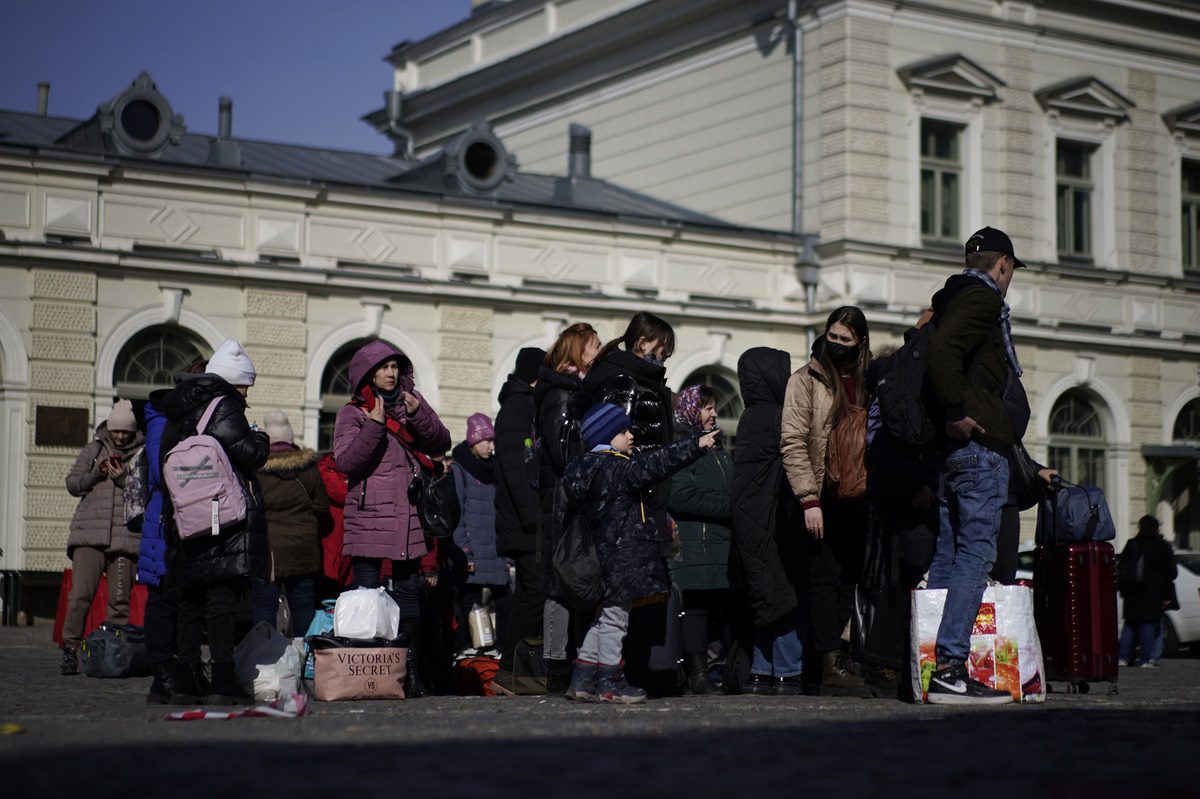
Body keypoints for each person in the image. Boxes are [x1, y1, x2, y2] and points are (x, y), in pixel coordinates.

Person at [924, 226, 1041, 704]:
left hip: (954, 452)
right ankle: (950, 667)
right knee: (975, 555)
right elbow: (942, 352)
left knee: (950, 556)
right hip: (977, 447)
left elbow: (940, 350)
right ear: (1004, 265)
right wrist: (957, 412)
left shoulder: (951, 299)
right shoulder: (983, 300)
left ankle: (929, 665)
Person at [563, 403, 719, 703]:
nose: (631, 435)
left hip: (604, 557)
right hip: (621, 559)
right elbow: (655, 465)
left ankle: (582, 679)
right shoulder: (615, 468)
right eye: (623, 431)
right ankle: (610, 682)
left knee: (604, 618)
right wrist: (695, 444)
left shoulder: (588, 468)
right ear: (607, 437)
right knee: (615, 621)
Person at [333, 339, 450, 696]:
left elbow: (440, 442)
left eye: (395, 367)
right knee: (366, 598)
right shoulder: (352, 413)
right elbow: (347, 462)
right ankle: (366, 675)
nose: (391, 373)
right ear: (368, 373)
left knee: (409, 596)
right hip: (370, 518)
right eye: (384, 367)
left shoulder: (410, 403)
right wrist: (373, 425)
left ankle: (407, 673)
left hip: (408, 518)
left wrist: (418, 415)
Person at [159, 340, 270, 704]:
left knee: (190, 598)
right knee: (222, 597)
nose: (246, 392)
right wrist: (261, 437)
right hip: (223, 517)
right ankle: (222, 679)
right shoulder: (224, 406)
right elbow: (250, 455)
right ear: (232, 381)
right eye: (245, 385)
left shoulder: (178, 408)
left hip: (186, 515)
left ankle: (187, 677)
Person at [573, 312, 678, 691]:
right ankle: (614, 677)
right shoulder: (626, 381)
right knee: (621, 601)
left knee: (620, 603)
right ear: (644, 342)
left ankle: (587, 677)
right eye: (662, 346)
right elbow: (620, 443)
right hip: (631, 500)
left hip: (638, 497)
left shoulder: (637, 378)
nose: (665, 355)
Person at [780, 306, 873, 697]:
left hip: (863, 497)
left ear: (859, 343)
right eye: (831, 337)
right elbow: (793, 442)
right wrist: (807, 499)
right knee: (823, 579)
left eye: (844, 340)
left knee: (850, 579)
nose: (835, 345)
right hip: (823, 496)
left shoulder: (871, 380)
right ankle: (828, 662)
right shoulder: (806, 379)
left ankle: (839, 656)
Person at [730, 347, 806, 696]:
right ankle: (787, 669)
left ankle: (762, 668)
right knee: (783, 590)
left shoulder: (750, 416)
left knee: (765, 592)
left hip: (752, 520)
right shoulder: (775, 416)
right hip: (773, 518)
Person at [536, 323, 601, 682]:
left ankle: (570, 660)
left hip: (571, 497)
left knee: (574, 578)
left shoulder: (575, 390)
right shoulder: (563, 393)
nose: (600, 349)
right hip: (564, 500)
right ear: (578, 349)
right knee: (562, 580)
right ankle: (557, 663)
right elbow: (564, 451)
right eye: (594, 345)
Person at [61, 399, 145, 676]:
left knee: (120, 599)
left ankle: (113, 650)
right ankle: (70, 649)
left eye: (125, 432)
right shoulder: (93, 449)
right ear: (108, 429)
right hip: (89, 534)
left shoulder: (141, 454)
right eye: (115, 431)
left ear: (133, 432)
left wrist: (123, 479)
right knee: (80, 595)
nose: (119, 436)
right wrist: (97, 473)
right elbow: (74, 484)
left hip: (125, 536)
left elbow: (144, 493)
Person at [139, 358, 206, 704]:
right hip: (164, 522)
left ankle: (179, 673)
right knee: (163, 599)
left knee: (184, 602)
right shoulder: (162, 419)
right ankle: (162, 676)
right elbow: (164, 472)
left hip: (186, 521)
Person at [667, 384, 733, 695]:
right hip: (695, 546)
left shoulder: (718, 451)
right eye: (707, 407)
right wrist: (729, 506)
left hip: (720, 544)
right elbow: (681, 497)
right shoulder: (684, 448)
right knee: (696, 610)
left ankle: (723, 669)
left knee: (720, 608)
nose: (714, 414)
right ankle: (697, 672)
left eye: (715, 407)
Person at [253, 410, 330, 637]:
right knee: (303, 605)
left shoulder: (256, 468)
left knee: (265, 605)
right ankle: (304, 657)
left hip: (269, 550)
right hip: (303, 547)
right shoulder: (308, 468)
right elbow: (322, 506)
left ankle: (264, 656)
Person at [492, 347, 545, 671]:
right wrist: (533, 516)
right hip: (523, 520)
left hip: (524, 518)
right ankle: (509, 666)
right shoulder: (518, 408)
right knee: (536, 591)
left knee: (528, 591)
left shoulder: (524, 405)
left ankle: (514, 668)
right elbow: (516, 469)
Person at [449, 413, 509, 654]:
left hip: (494, 551)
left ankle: (502, 650)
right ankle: (467, 648)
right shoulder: (459, 470)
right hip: (472, 551)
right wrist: (465, 551)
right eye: (486, 441)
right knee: (468, 599)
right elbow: (458, 515)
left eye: (492, 441)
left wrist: (507, 556)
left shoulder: (494, 471)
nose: (491, 446)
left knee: (505, 599)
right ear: (474, 441)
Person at [1118, 515, 1177, 668]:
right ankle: (1145, 659)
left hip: (1132, 591)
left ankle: (1123, 658)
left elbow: (1122, 567)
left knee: (1130, 625)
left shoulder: (1132, 544)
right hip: (1153, 591)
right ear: (1156, 528)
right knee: (1148, 625)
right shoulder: (1161, 546)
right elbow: (1170, 572)